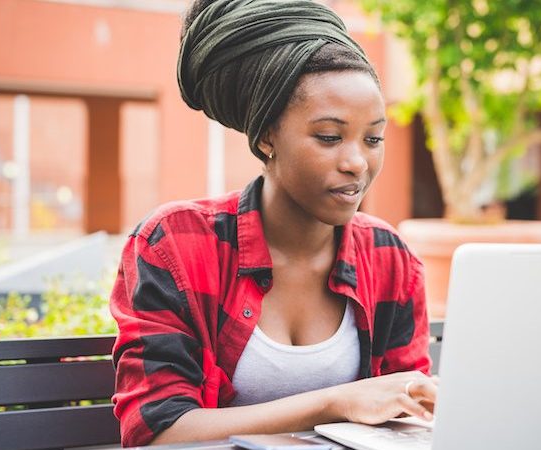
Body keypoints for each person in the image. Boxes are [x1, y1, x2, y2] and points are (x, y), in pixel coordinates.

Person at [109, 0, 438, 446]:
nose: (357, 162)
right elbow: (158, 430)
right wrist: (334, 401)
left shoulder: (389, 256)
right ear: (266, 137)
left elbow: (407, 417)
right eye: (329, 137)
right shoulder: (176, 243)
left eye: (374, 138)